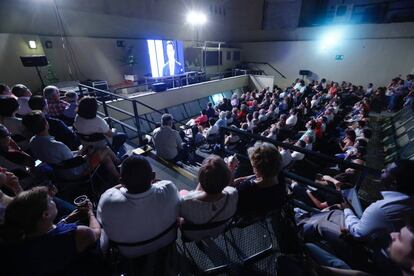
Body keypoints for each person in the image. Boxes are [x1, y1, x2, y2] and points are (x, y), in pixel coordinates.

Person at [300, 160, 414, 268]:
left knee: (324, 222)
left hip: (375, 258)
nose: (383, 170)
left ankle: (298, 233)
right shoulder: (406, 202)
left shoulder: (381, 208)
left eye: (387, 171)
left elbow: (357, 234)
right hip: (376, 244)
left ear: (394, 183)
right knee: (334, 213)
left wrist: (347, 209)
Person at [1, 186, 102, 276]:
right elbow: (95, 232)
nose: (53, 200)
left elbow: (46, 235)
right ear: (46, 215)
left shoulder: (18, 243)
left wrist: (66, 219)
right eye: (50, 200)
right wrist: (90, 213)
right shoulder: (78, 233)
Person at [97, 155, 180, 258]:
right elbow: (161, 183)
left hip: (130, 253)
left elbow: (101, 220)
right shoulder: (169, 188)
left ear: (121, 181)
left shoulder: (107, 201)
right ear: (153, 176)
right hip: (168, 240)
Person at [22, 111, 119, 181]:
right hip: (75, 172)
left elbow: (67, 158)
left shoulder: (32, 142)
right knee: (105, 149)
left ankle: (117, 175)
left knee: (102, 155)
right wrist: (86, 154)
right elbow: (76, 161)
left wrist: (82, 150)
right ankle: (119, 167)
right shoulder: (56, 145)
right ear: (46, 124)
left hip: (58, 172)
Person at [179, 155, 238, 241]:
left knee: (182, 192)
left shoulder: (186, 202)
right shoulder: (233, 194)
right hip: (217, 231)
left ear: (200, 180)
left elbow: (192, 199)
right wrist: (230, 169)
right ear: (227, 179)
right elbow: (228, 186)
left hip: (192, 235)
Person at [233, 141, 286, 215]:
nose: (253, 170)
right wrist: (248, 177)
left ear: (258, 169)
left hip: (245, 214)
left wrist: (231, 175)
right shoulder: (280, 175)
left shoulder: (246, 188)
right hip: (265, 211)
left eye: (253, 166)